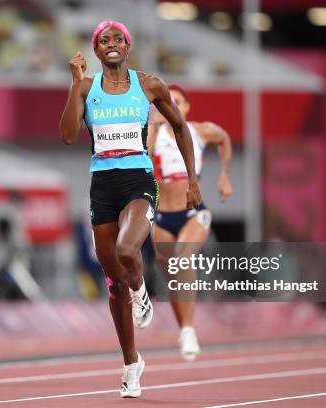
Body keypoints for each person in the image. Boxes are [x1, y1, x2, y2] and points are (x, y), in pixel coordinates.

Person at [59, 21, 201, 398]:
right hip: (102, 185)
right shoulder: (87, 87)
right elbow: (69, 135)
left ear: (127, 45)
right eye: (103, 41)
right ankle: (131, 365)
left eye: (117, 39)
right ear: (95, 49)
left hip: (139, 180)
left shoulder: (150, 84)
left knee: (126, 251)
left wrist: (192, 180)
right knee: (113, 283)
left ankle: (142, 289)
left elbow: (181, 127)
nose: (111, 45)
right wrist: (75, 83)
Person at [147, 84, 233, 361]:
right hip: (162, 217)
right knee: (171, 279)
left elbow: (224, 139)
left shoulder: (199, 130)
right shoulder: (155, 133)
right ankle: (184, 327)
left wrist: (224, 174)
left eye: (178, 102)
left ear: (187, 107)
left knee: (183, 259)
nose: (173, 106)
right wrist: (151, 124)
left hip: (194, 213)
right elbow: (144, 160)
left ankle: (188, 328)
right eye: (167, 102)